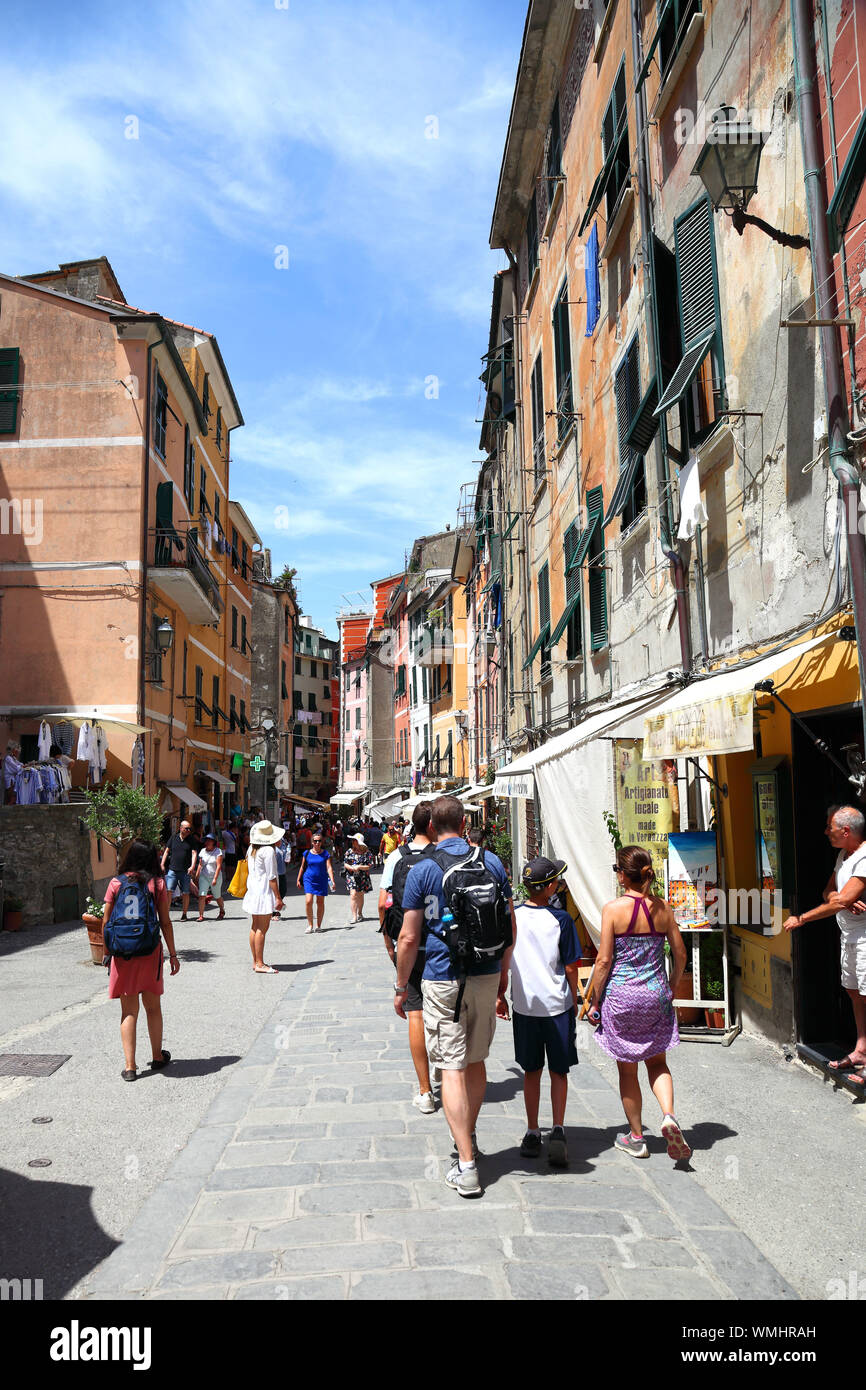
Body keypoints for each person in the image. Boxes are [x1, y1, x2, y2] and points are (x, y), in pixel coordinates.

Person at [397, 795, 516, 1198]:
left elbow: (409, 936)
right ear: (465, 823)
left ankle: (466, 1164)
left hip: (441, 976)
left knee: (450, 1066)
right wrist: (503, 978)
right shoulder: (493, 862)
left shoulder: (423, 869)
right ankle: (469, 1137)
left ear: (431, 827)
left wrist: (400, 986)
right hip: (486, 973)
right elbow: (510, 928)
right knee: (477, 1060)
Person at [593, 845, 691, 1161]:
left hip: (622, 998)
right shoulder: (663, 909)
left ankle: (637, 1137)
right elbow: (681, 954)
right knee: (658, 1063)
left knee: (627, 1072)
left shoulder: (613, 910)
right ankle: (669, 1115)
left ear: (623, 875)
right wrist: (672, 987)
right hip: (656, 995)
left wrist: (596, 999)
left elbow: (604, 960)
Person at [499, 857, 582, 1167]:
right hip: (557, 1006)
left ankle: (533, 1131)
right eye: (556, 881)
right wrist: (575, 998)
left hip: (525, 1005)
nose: (558, 884)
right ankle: (558, 1129)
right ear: (549, 887)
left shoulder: (514, 917)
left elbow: (503, 960)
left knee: (531, 1071)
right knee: (559, 1071)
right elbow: (572, 966)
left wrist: (500, 994)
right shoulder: (560, 920)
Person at [786, 805, 866, 1076]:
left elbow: (841, 898)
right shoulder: (844, 855)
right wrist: (841, 900)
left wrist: (803, 918)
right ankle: (861, 1049)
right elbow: (829, 892)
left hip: (865, 936)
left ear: (845, 830)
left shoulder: (865, 856)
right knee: (854, 992)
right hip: (849, 935)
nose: (825, 832)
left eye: (830, 828)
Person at [102, 839, 180, 1080]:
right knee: (153, 1007)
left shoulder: (116, 883)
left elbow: (105, 922)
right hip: (149, 951)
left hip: (123, 953)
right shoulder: (156, 884)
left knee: (128, 1011)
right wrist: (173, 954)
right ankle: (157, 1056)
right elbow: (165, 922)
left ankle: (130, 1067)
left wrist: (107, 953)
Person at [379, 801, 437, 1112]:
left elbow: (383, 904)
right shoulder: (442, 857)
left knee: (415, 1014)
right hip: (441, 945)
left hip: (409, 944)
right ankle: (447, 1073)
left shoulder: (396, 857)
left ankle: (425, 1091)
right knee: (444, 1013)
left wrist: (391, 945)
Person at [242, 820, 285, 973]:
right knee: (262, 928)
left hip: (253, 890)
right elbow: (272, 877)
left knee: (255, 926)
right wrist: (278, 898)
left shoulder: (251, 848)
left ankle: (256, 961)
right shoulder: (268, 851)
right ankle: (260, 964)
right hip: (264, 892)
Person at [298, 831, 337, 932]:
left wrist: (332, 880)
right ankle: (310, 925)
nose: (317, 843)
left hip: (321, 880)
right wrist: (299, 878)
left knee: (320, 902)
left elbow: (329, 867)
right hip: (309, 879)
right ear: (312, 842)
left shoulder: (325, 854)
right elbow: (302, 867)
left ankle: (318, 925)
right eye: (315, 841)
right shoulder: (306, 853)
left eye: (319, 841)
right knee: (308, 901)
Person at [160, 820, 198, 920]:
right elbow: (166, 851)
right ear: (181, 828)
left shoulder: (191, 839)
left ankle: (184, 914)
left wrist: (192, 866)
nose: (189, 830)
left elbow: (194, 853)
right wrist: (162, 864)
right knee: (169, 891)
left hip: (185, 871)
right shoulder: (173, 838)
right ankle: (166, 914)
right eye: (186, 828)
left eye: (190, 829)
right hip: (173, 870)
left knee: (185, 892)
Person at [344, 832, 374, 925]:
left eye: (354, 840)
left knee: (360, 895)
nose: (352, 842)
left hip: (362, 876)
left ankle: (360, 913)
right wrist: (352, 868)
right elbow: (345, 863)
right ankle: (354, 916)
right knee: (353, 894)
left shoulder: (367, 852)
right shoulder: (349, 851)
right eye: (352, 840)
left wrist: (359, 867)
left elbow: (369, 865)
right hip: (352, 875)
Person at [195, 831, 225, 921]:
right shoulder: (202, 851)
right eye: (206, 840)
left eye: (209, 840)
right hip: (204, 876)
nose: (207, 842)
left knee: (217, 896)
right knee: (202, 895)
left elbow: (219, 866)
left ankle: (222, 910)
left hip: (215, 876)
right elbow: (200, 864)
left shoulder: (218, 851)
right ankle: (201, 915)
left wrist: (215, 878)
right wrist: (196, 875)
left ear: (213, 842)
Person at [273, 834, 288, 917]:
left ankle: (276, 907)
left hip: (282, 872)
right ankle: (274, 909)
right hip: (277, 874)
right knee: (281, 891)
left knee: (283, 890)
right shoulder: (274, 850)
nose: (281, 842)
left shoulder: (279, 849)